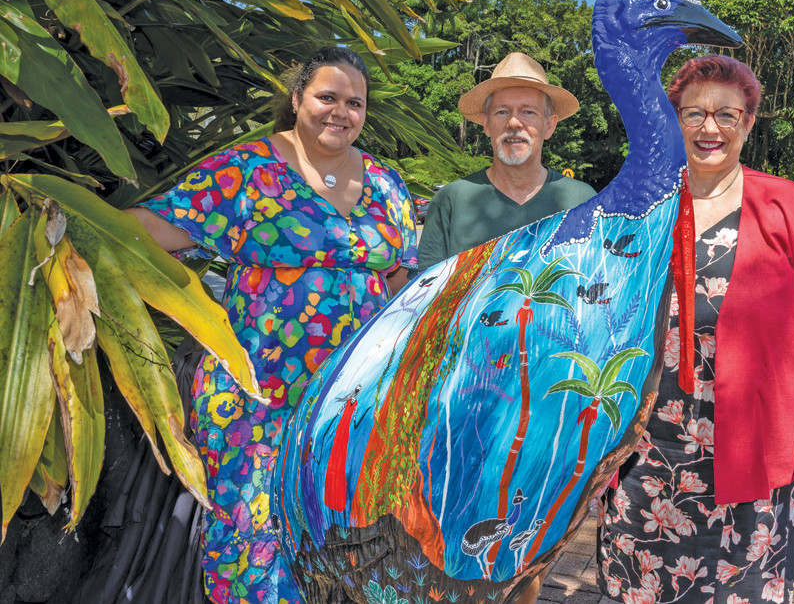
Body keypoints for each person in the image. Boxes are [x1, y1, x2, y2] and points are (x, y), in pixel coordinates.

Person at [127, 46, 418, 603]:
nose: (341, 112)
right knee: (250, 543)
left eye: (353, 103)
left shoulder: (387, 183)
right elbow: (152, 228)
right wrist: (66, 224)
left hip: (351, 406)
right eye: (327, 97)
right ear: (296, 99)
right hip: (255, 400)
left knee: (344, 542)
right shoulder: (247, 170)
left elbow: (402, 280)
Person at [597, 55, 794, 604]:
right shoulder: (641, 206)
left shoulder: (793, 207)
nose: (710, 128)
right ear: (674, 119)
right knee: (636, 590)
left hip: (752, 449)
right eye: (694, 114)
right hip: (645, 451)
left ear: (748, 123)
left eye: (726, 115)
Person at [416, 52, 596, 272]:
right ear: (486, 124)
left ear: (549, 126)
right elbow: (426, 295)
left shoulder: (581, 201)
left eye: (528, 112)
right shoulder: (450, 202)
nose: (513, 123)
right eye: (502, 112)